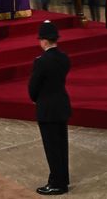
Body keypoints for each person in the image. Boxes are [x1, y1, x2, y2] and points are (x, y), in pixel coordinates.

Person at [28, 20, 71, 196]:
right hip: (62, 105)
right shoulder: (64, 58)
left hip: (47, 109)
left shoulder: (41, 62)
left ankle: (56, 183)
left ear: (44, 41)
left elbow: (33, 89)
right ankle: (63, 178)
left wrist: (36, 98)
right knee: (62, 146)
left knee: (52, 149)